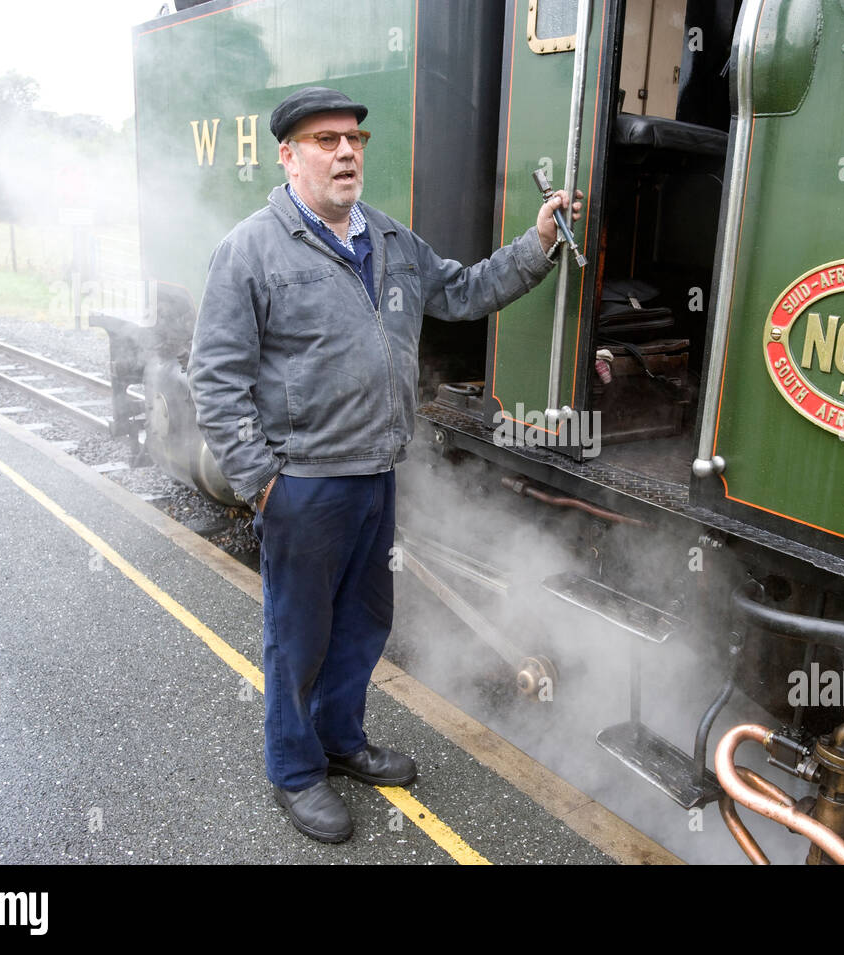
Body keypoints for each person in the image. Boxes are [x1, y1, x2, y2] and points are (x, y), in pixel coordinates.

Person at [188, 86, 582, 844]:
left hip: (376, 473)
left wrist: (537, 245)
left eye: (354, 139)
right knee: (297, 634)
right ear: (289, 155)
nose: (344, 152)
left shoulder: (393, 242)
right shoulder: (251, 249)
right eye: (325, 140)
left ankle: (340, 739)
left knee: (364, 622)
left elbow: (464, 292)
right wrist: (261, 482)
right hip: (301, 481)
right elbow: (215, 375)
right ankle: (295, 769)